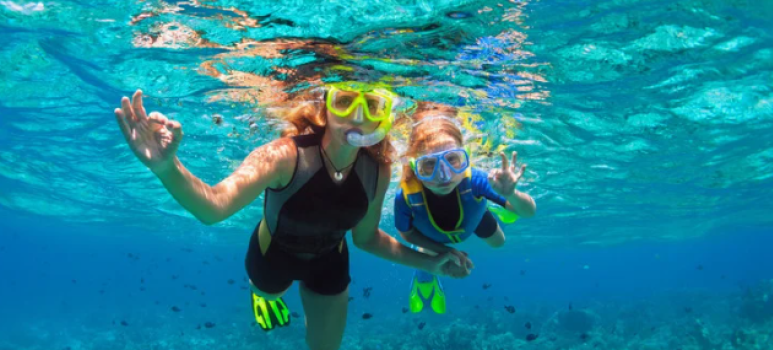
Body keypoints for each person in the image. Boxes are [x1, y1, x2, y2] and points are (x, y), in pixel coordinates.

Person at [112, 83, 470, 350]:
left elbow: (366, 238)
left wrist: (431, 263)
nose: (357, 115)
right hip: (272, 258)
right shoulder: (284, 155)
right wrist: (166, 166)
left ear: (383, 115)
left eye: (372, 104)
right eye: (345, 101)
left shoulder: (379, 169)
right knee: (269, 293)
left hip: (330, 262)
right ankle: (263, 295)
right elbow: (214, 206)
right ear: (325, 108)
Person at [394, 102, 536, 314]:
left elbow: (529, 212)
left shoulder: (476, 180)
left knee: (499, 243)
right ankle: (425, 280)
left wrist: (511, 195)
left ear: (465, 158)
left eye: (453, 160)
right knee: (427, 255)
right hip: (431, 236)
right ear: (415, 167)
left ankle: (498, 205)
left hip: (474, 217)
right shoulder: (405, 197)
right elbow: (406, 234)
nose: (444, 175)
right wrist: (447, 251)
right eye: (429, 165)